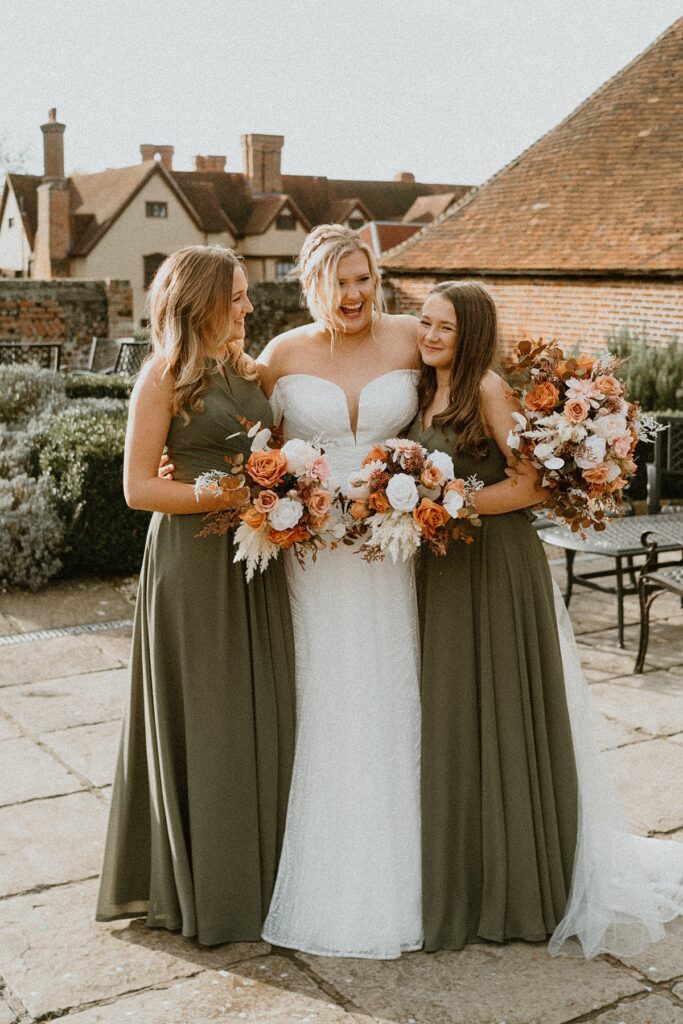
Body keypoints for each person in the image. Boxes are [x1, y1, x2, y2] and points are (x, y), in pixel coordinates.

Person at [407, 280, 683, 958]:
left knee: (501, 705)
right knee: (451, 711)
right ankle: (464, 867)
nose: (430, 335)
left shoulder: (489, 391)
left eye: (444, 326)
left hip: (493, 564)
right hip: (440, 567)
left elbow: (531, 483)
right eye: (424, 321)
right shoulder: (421, 390)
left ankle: (520, 877)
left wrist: (456, 502)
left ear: (470, 334)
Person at [96, 245, 296, 946]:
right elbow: (137, 488)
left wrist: (287, 490)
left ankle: (265, 875)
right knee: (208, 720)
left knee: (260, 713)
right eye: (236, 296)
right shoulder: (163, 377)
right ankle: (205, 888)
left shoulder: (250, 371)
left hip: (257, 561)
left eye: (246, 295)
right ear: (202, 302)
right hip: (193, 564)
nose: (248, 307)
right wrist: (225, 491)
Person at [257, 224, 424, 958]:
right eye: (337, 284)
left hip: (394, 549)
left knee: (395, 685)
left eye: (362, 280)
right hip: (314, 552)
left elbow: (463, 402)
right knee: (325, 690)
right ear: (309, 286)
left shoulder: (413, 338)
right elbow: (248, 452)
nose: (353, 296)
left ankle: (416, 860)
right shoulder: (281, 355)